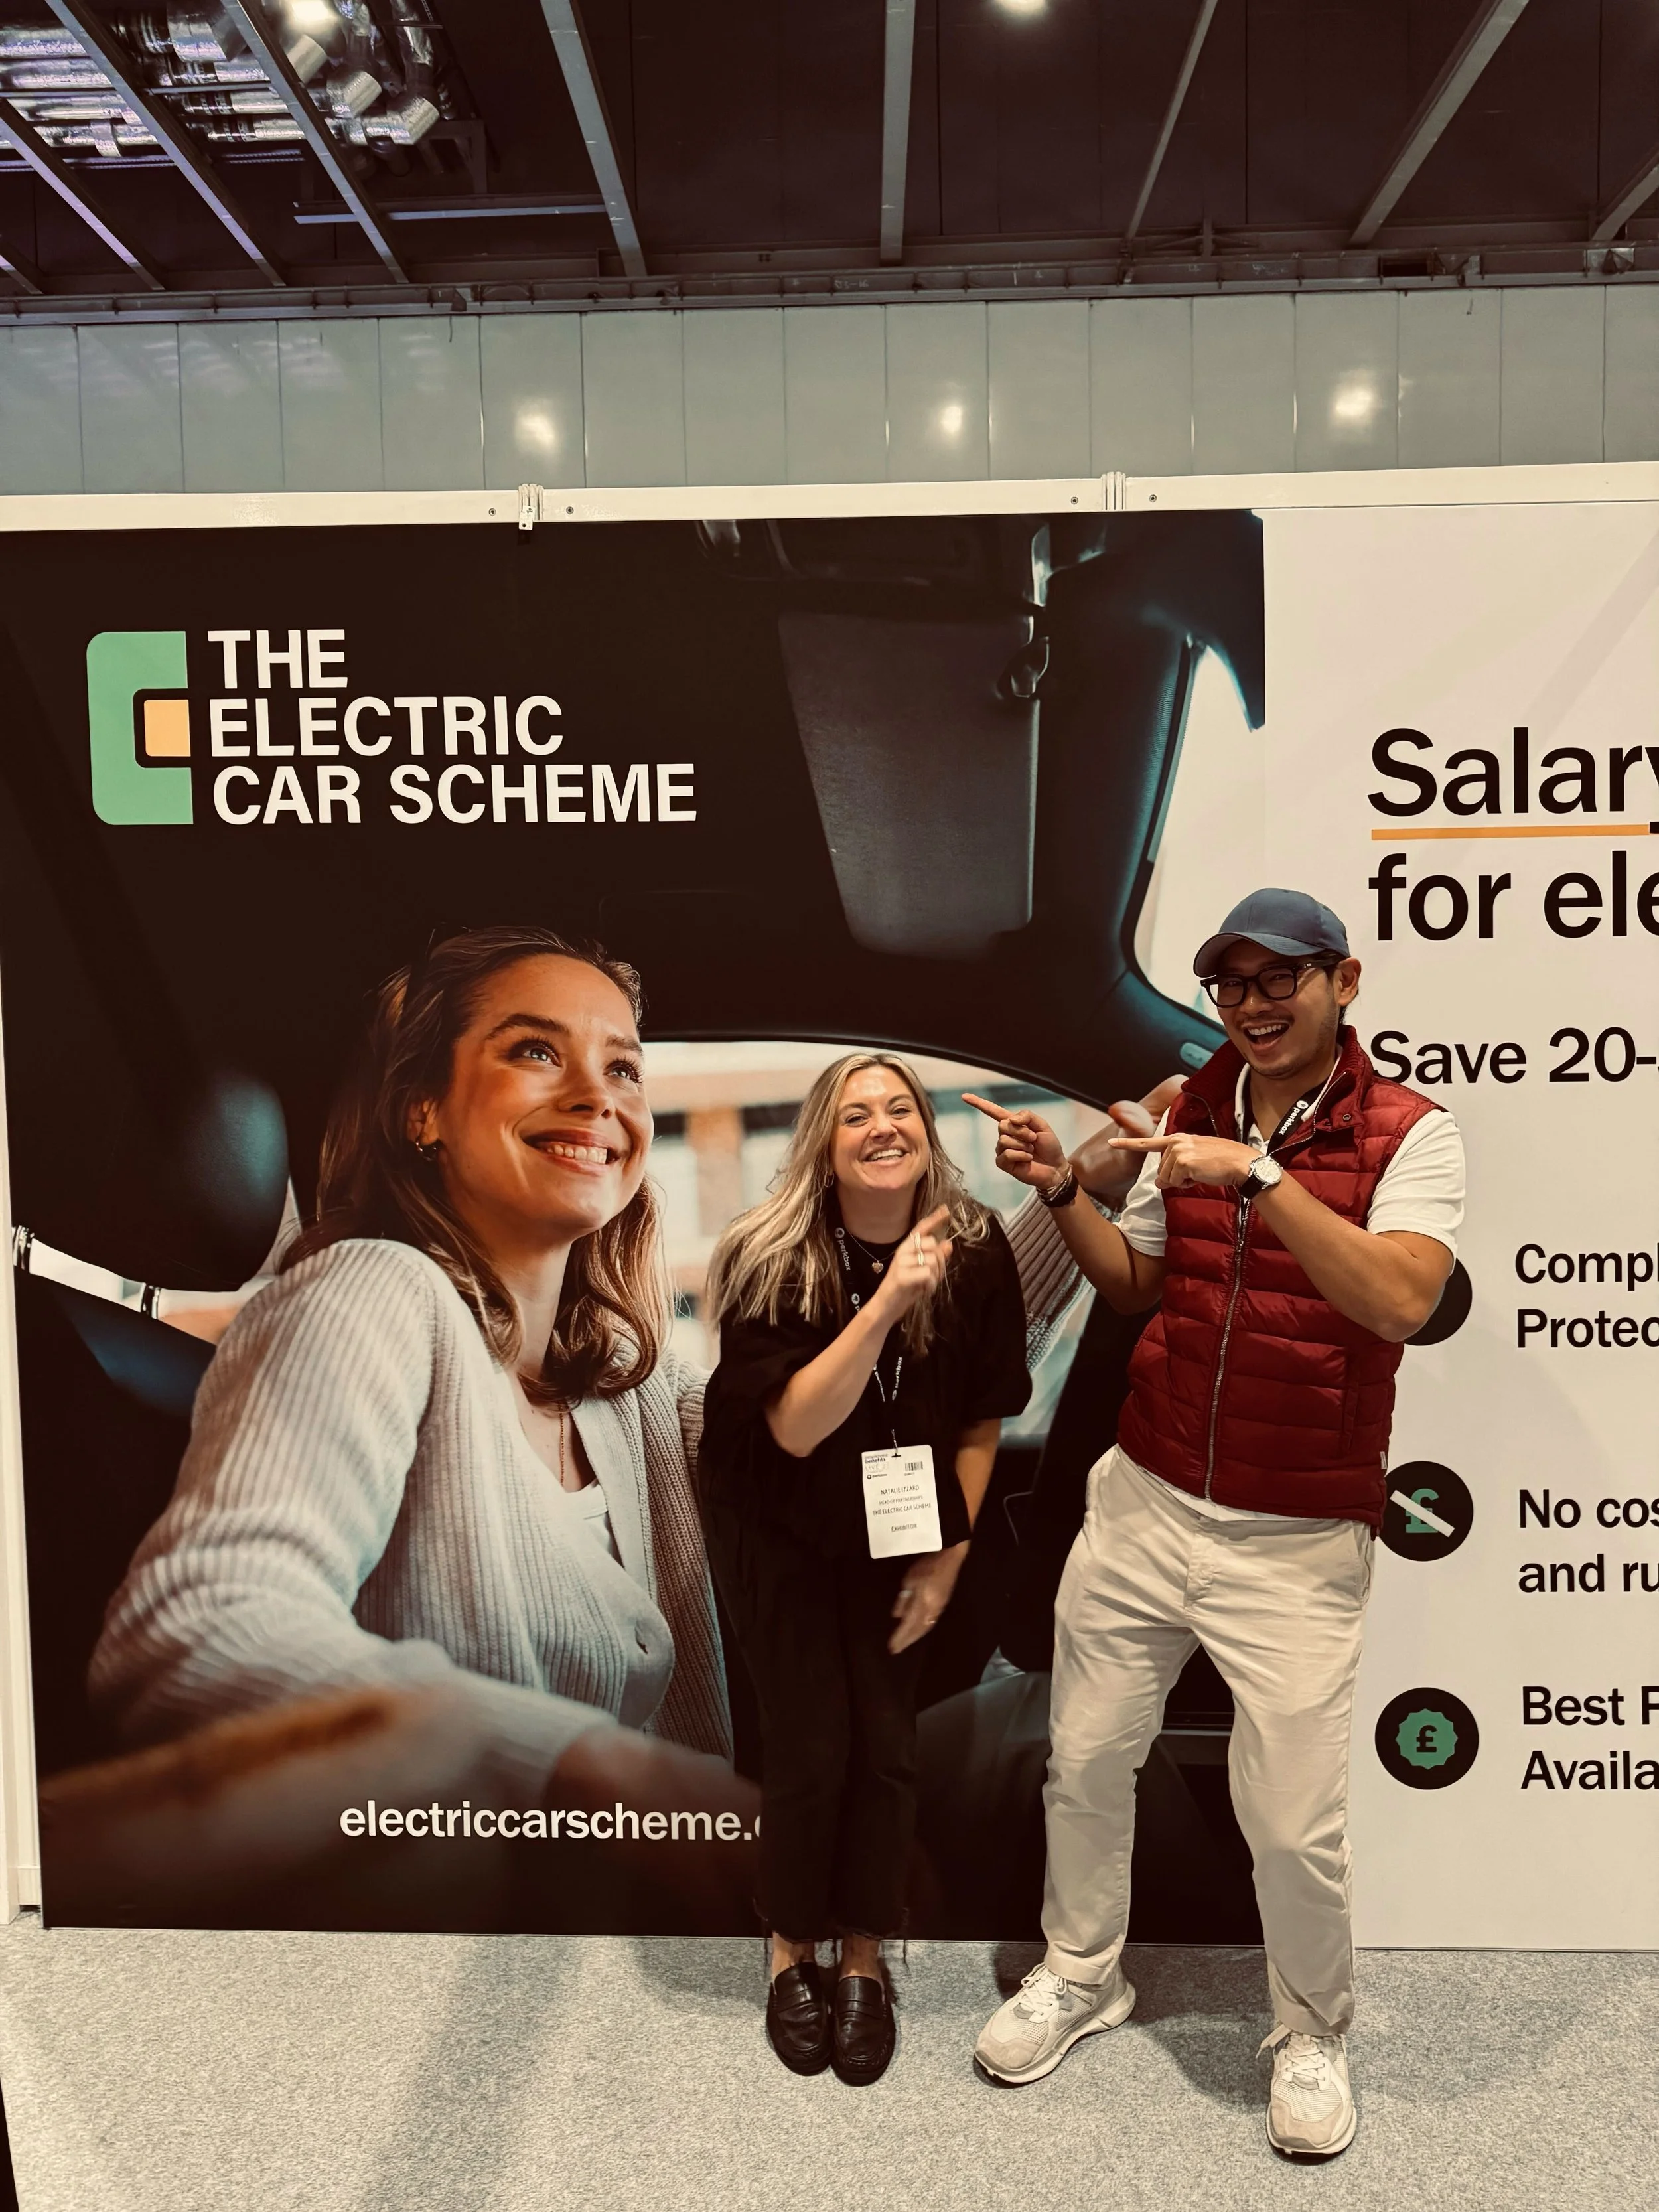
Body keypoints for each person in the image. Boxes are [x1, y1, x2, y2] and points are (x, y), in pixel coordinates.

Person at [968, 889, 1465, 2163]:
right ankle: (1083, 1973)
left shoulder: (1413, 1131)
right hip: (1143, 1500)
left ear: (1342, 982)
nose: (1252, 1002)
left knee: (1295, 1820)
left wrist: (1261, 1177)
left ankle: (1308, 2030)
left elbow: (1401, 1301)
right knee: (1082, 1761)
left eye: (1277, 978)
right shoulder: (1188, 1111)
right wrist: (1063, 1189)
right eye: (1230, 983)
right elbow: (1136, 1284)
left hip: (1296, 1537)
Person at [92, 926, 739, 1840]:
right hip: (468, 1954)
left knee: (1010, 1730)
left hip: (676, 1926)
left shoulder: (629, 1386)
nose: (597, 1097)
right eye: (535, 1051)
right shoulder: (368, 1295)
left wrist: (1000, 1224)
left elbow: (855, 1455)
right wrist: (575, 1767)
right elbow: (199, 1633)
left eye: (624, 1068)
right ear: (420, 1111)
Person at [699, 1053, 1034, 2085]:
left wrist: (945, 1561)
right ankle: (789, 1945)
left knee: (886, 1749)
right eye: (857, 1116)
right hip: (781, 1524)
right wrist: (885, 1305)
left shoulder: (975, 1251)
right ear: (825, 1145)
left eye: (902, 1109)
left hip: (900, 1528)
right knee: (809, 1745)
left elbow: (981, 1419)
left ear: (928, 1135)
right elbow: (796, 1430)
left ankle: (863, 1958)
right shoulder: (770, 1254)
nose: (883, 1126)